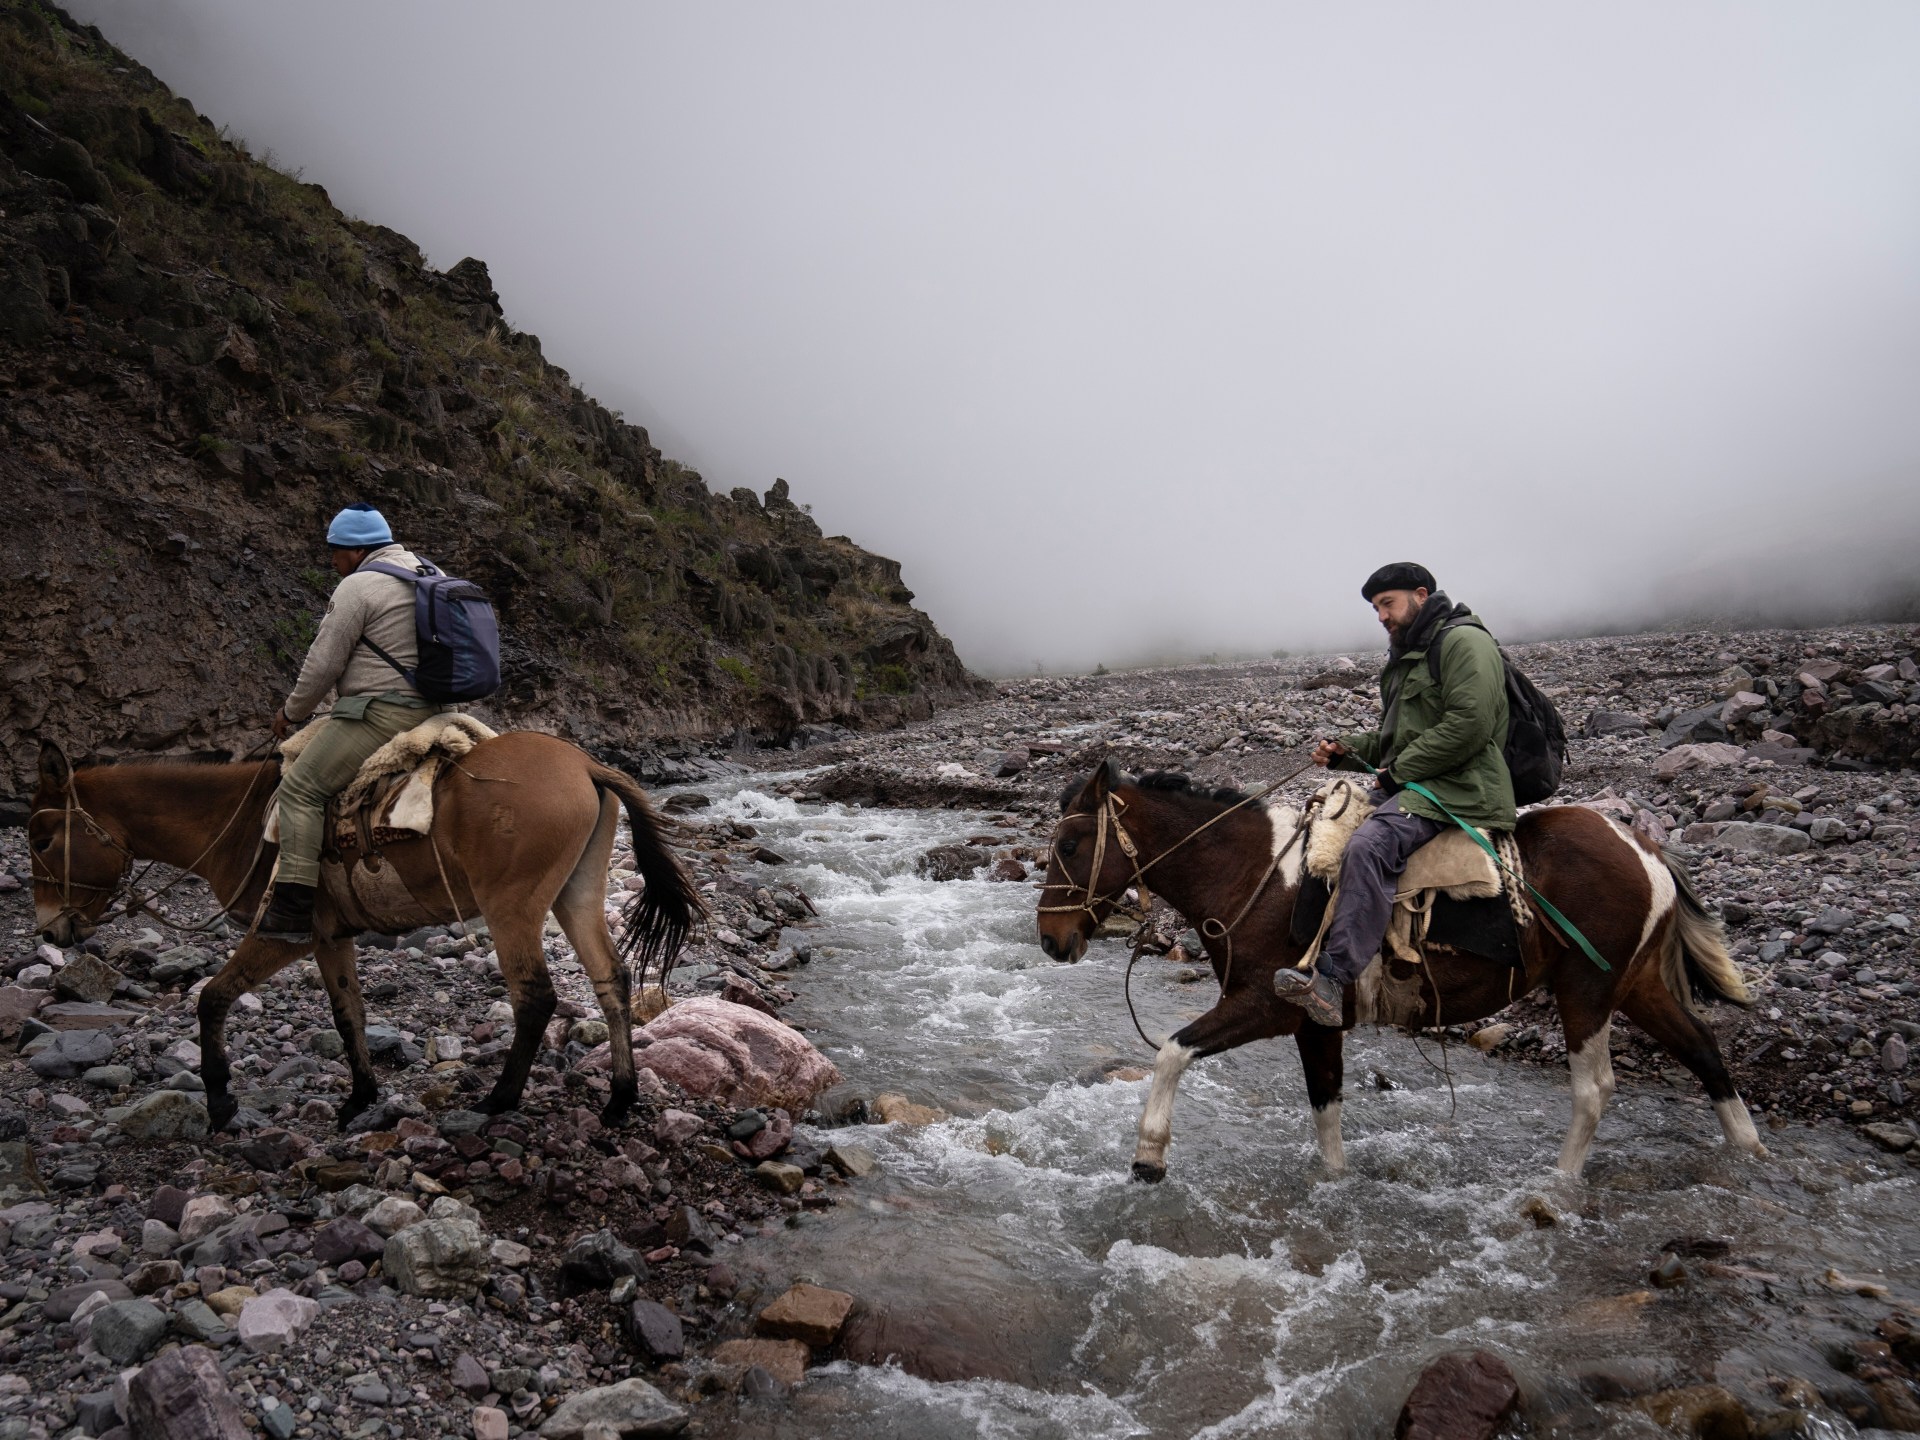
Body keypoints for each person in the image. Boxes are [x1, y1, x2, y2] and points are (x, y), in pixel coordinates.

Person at [1274, 562, 1515, 1025]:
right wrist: (1347, 750)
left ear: (1421, 595)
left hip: (1460, 788)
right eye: (1375, 608)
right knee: (1323, 828)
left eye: (1388, 603)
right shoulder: (1409, 654)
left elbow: (1469, 725)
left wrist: (1397, 772)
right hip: (1424, 780)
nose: (1381, 615)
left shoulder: (1465, 642)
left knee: (1369, 845)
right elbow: (1397, 740)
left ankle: (1333, 978)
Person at [255, 504, 443, 942]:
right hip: (439, 709)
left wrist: (291, 713)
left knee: (301, 787)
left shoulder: (360, 586)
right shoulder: (429, 572)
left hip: (384, 715)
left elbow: (322, 665)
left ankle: (294, 908)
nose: (333, 563)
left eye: (336, 554)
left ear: (357, 552)